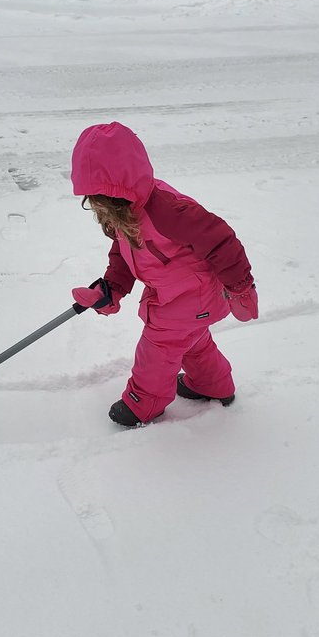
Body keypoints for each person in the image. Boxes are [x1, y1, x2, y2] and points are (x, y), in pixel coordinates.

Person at [70, 122, 258, 427]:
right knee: (191, 341)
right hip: (178, 294)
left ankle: (144, 403)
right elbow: (123, 249)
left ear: (119, 189)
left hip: (193, 295)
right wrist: (112, 287)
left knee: (159, 347)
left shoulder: (167, 211)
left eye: (101, 198)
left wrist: (241, 287)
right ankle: (214, 385)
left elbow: (222, 240)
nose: (97, 206)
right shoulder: (127, 210)